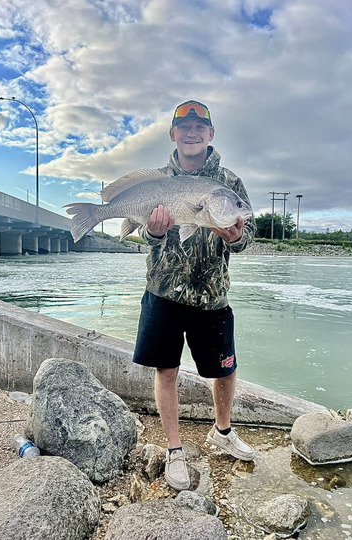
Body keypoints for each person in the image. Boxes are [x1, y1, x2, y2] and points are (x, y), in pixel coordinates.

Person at [133, 100, 255, 491]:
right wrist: (152, 232)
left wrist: (236, 236)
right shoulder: (156, 183)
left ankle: (222, 431)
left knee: (225, 369)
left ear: (210, 134)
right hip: (163, 291)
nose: (191, 132)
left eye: (199, 126)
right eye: (183, 126)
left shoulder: (228, 184)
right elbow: (143, 238)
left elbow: (247, 231)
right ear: (172, 134)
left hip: (211, 295)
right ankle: (174, 450)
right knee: (166, 370)